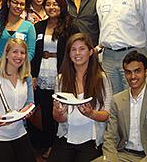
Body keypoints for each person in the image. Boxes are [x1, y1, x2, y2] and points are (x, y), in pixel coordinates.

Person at [48, 33, 112, 162]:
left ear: (90, 52)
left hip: (91, 139)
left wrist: (91, 113)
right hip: (66, 137)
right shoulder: (61, 79)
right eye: (73, 49)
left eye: (82, 49)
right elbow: (59, 119)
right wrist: (58, 113)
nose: (77, 53)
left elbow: (107, 114)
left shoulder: (101, 78)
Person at [28, 0, 79, 158]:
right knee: (42, 110)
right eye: (48, 4)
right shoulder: (38, 27)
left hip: (61, 74)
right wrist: (33, 75)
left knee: (57, 111)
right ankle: (43, 143)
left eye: (55, 4)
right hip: (42, 73)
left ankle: (55, 145)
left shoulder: (70, 26)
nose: (52, 7)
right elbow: (34, 53)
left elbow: (75, 50)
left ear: (62, 6)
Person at [100, 50, 147, 162]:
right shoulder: (117, 100)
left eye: (137, 71)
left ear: (146, 72)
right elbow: (109, 139)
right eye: (128, 72)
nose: (132, 76)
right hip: (123, 155)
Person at [0, 38, 36, 162]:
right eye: (15, 52)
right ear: (7, 54)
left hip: (19, 132)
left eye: (22, 52)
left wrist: (27, 112)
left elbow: (30, 102)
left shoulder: (27, 76)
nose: (19, 56)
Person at [0, 0, 36, 64]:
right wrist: (2, 66)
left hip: (20, 70)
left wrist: (19, 66)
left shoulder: (29, 27)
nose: (18, 6)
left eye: (22, 4)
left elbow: (30, 51)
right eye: (15, 2)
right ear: (8, 3)